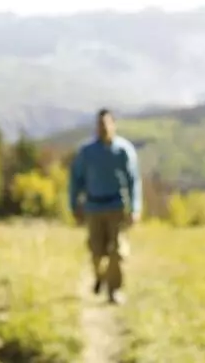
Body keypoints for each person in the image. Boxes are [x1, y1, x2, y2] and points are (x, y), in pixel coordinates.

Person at [69, 108, 142, 305]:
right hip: (93, 207)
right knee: (96, 251)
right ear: (96, 127)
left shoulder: (124, 151)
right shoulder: (87, 152)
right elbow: (76, 180)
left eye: (107, 124)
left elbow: (134, 181)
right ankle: (100, 276)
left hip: (117, 206)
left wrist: (135, 207)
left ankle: (114, 290)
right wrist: (74, 205)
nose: (103, 128)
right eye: (100, 125)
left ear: (113, 125)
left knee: (117, 251)